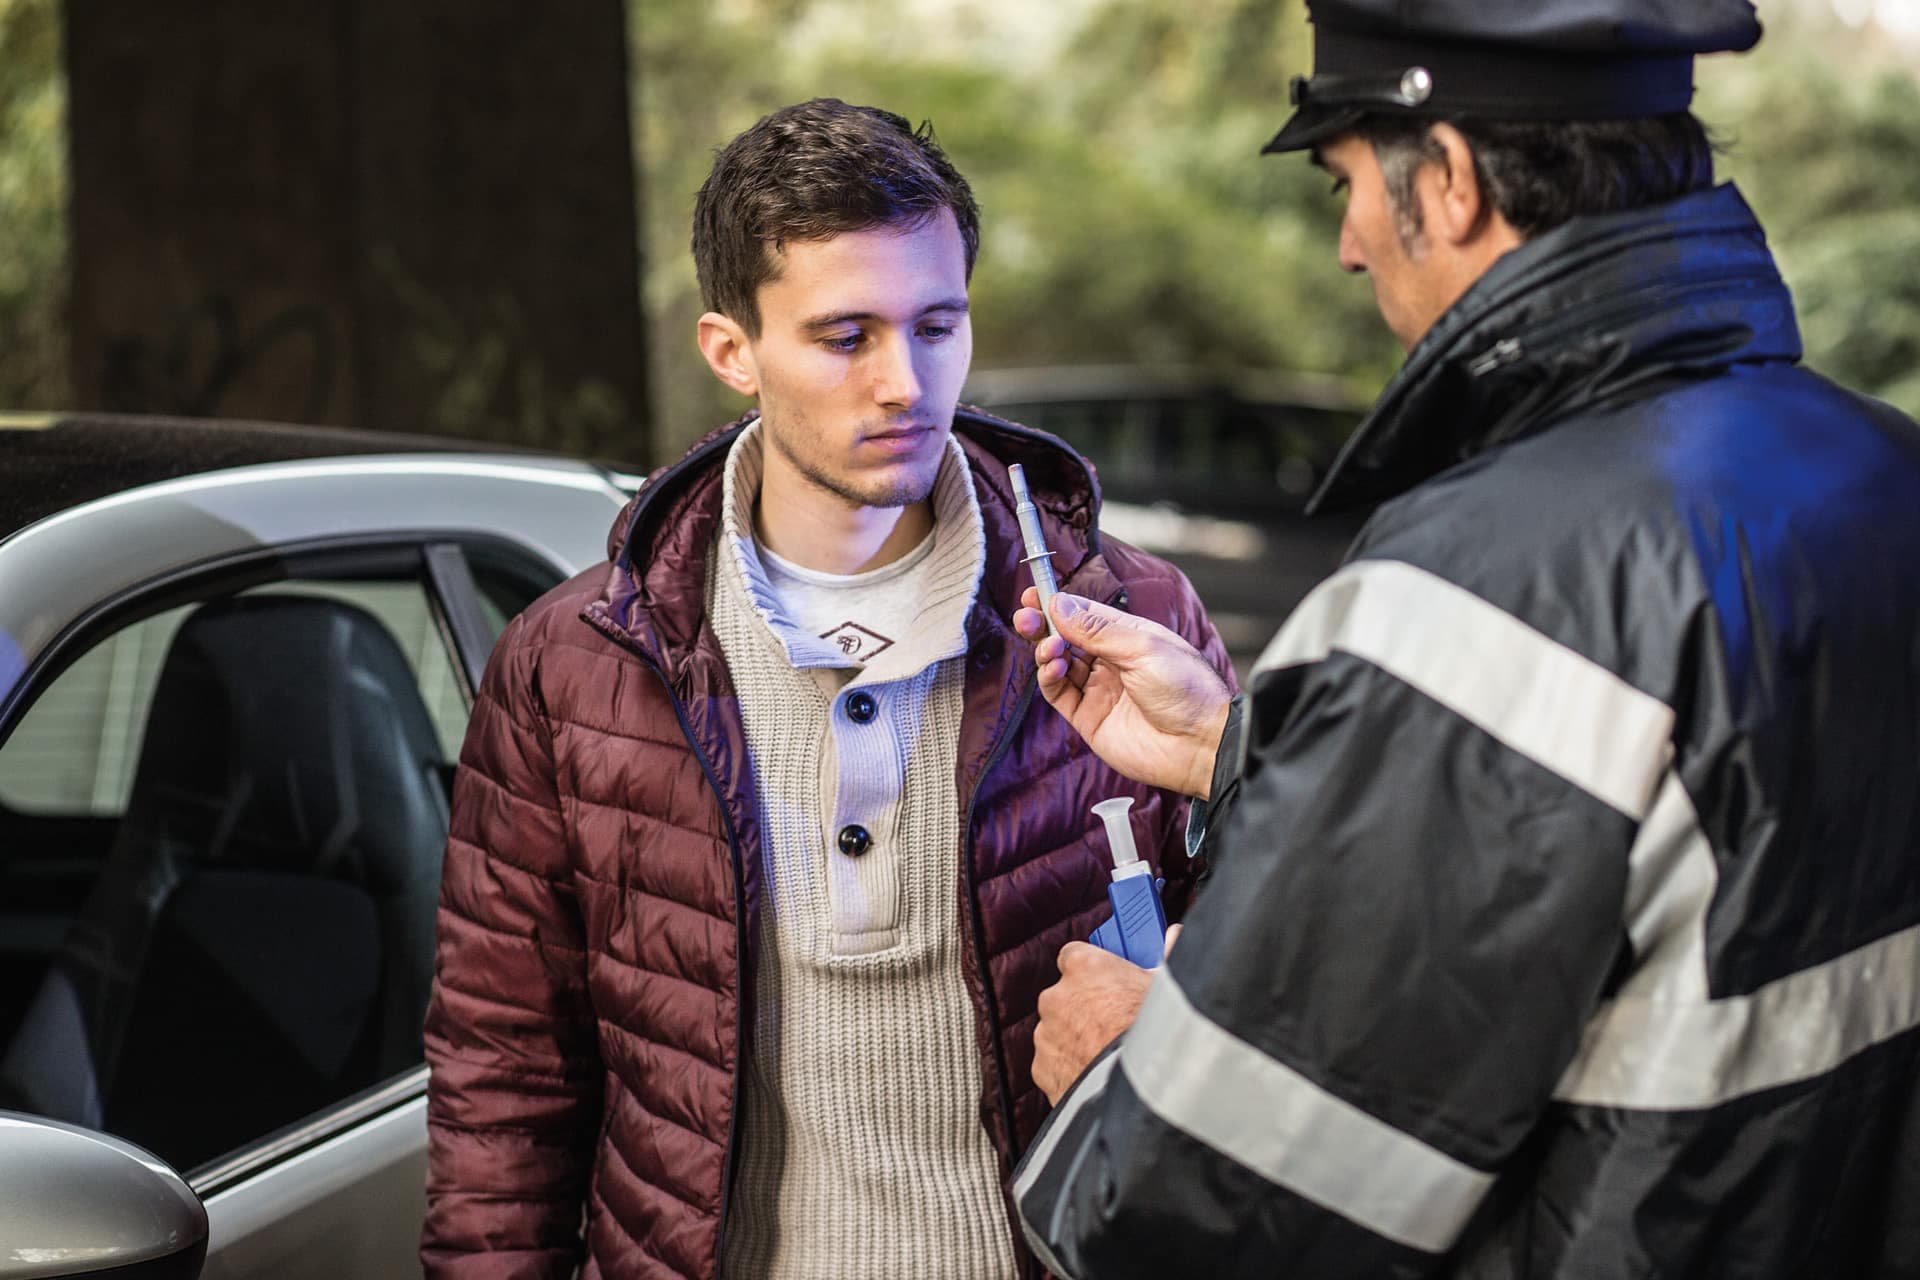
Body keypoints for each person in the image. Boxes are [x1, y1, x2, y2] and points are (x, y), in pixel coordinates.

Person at [1008, 2, 1920, 1277]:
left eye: (1347, 183)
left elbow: (1205, 1212)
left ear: (1447, 177)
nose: (1345, 245)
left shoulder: (1478, 584)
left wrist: (1121, 1070)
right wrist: (1238, 746)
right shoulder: (1879, 467)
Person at [418, 97, 1232, 1280]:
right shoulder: (577, 660)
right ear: (731, 350)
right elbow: (505, 1079)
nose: (905, 380)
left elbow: (1303, 966)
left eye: (937, 325)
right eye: (846, 336)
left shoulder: (1131, 620)